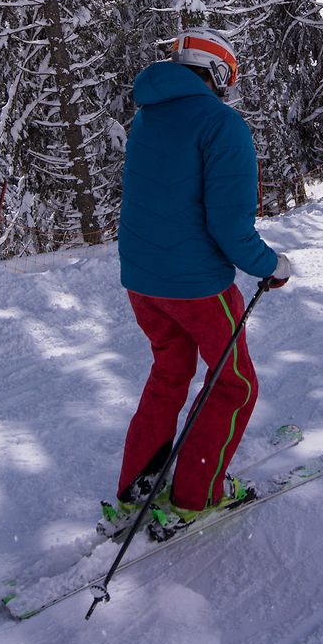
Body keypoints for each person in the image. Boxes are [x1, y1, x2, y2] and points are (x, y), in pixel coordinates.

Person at [114, 26, 292, 523]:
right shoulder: (221, 124)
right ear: (216, 72)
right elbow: (230, 228)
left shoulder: (146, 118)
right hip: (195, 285)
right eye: (228, 78)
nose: (228, 88)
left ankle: (136, 486)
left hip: (142, 281)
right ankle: (198, 493)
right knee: (235, 384)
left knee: (170, 372)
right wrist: (271, 266)